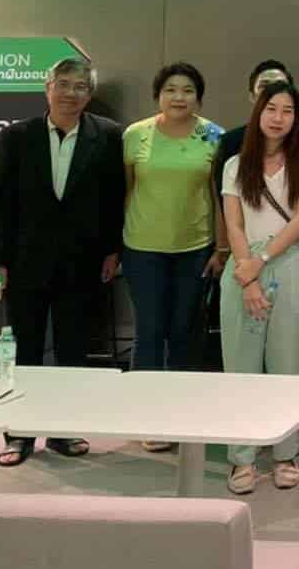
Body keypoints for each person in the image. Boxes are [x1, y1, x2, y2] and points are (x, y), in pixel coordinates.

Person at [0, 57, 125, 468]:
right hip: (25, 261)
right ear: (47, 88)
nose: (70, 93)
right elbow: (1, 202)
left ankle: (63, 429)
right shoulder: (16, 136)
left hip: (83, 261)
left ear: (89, 94)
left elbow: (114, 199)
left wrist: (112, 249)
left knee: (73, 350)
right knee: (24, 349)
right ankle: (19, 432)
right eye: (63, 84)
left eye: (80, 86)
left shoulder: (108, 135)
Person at [219, 81, 299, 494]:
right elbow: (233, 224)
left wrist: (260, 262)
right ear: (258, 111)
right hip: (242, 266)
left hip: (288, 263)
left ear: (296, 118)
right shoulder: (235, 164)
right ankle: (241, 458)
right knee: (240, 370)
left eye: (287, 111)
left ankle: (285, 452)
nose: (278, 118)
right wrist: (247, 275)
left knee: (287, 367)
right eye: (271, 108)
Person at [122, 62, 222, 451]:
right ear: (158, 95)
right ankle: (147, 416)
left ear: (199, 98)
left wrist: (221, 248)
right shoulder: (136, 135)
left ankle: (181, 414)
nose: (179, 97)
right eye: (170, 90)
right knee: (149, 331)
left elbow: (219, 196)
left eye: (187, 90)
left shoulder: (212, 135)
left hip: (194, 250)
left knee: (184, 333)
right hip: (142, 248)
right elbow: (126, 191)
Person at [211, 60, 299, 201]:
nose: (272, 92)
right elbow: (225, 199)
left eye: (280, 86)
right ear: (252, 96)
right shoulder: (231, 142)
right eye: (264, 86)